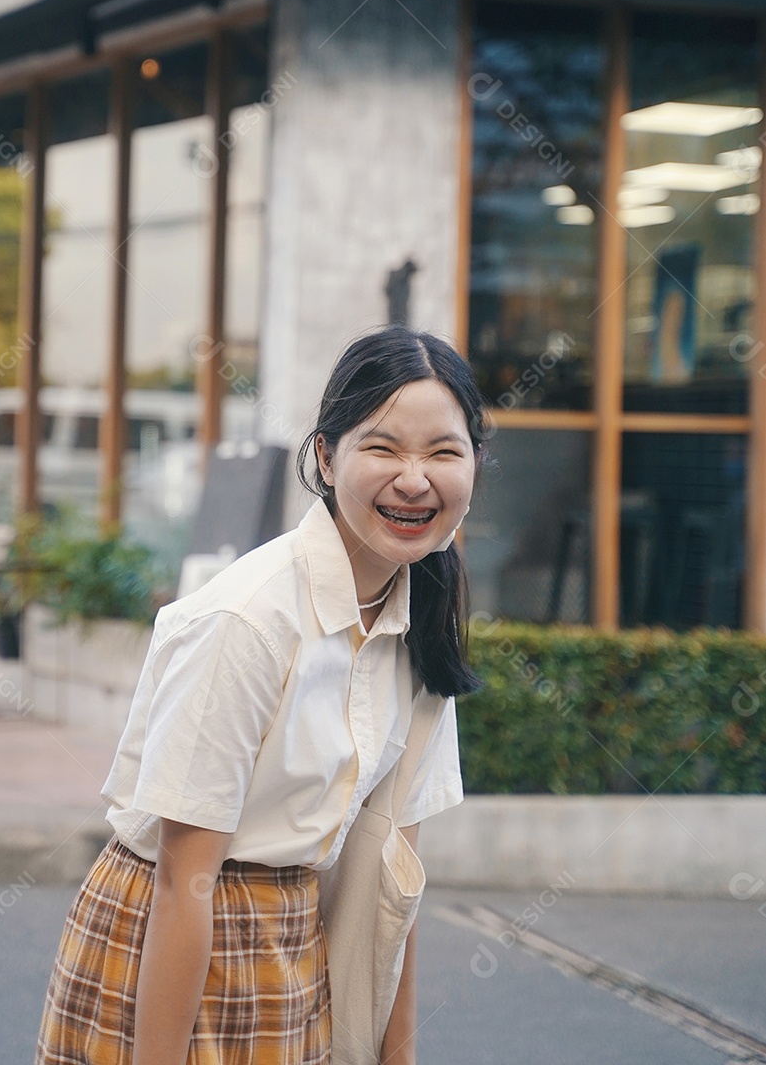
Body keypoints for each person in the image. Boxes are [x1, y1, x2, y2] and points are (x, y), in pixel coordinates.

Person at [35, 325, 492, 1065]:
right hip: (168, 940)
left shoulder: (420, 626)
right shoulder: (246, 620)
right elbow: (186, 878)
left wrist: (395, 1056)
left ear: (475, 465)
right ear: (324, 456)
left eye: (443, 452)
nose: (415, 479)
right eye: (381, 447)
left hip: (292, 948)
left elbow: (390, 885)